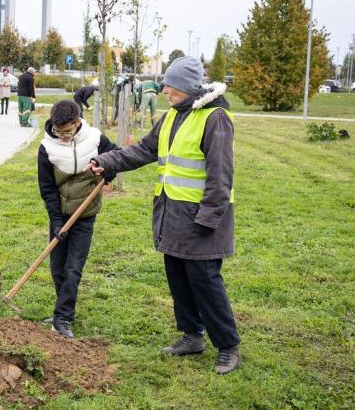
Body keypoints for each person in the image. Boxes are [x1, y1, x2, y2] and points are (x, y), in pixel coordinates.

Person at [84, 56, 241, 374]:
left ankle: (227, 345)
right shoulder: (173, 116)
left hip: (202, 219)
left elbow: (220, 176)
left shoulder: (215, 118)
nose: (164, 89)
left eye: (171, 85)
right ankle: (192, 335)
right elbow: (143, 149)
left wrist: (208, 219)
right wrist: (109, 161)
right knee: (179, 278)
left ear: (188, 87)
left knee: (206, 282)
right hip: (173, 215)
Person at [38, 100, 119, 338]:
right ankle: (62, 308)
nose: (62, 136)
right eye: (58, 131)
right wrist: (55, 222)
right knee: (57, 268)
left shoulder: (94, 138)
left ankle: (63, 317)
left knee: (73, 267)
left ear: (77, 122)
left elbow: (116, 156)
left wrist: (107, 170)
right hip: (60, 214)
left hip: (85, 214)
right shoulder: (46, 147)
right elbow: (47, 187)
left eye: (67, 131)